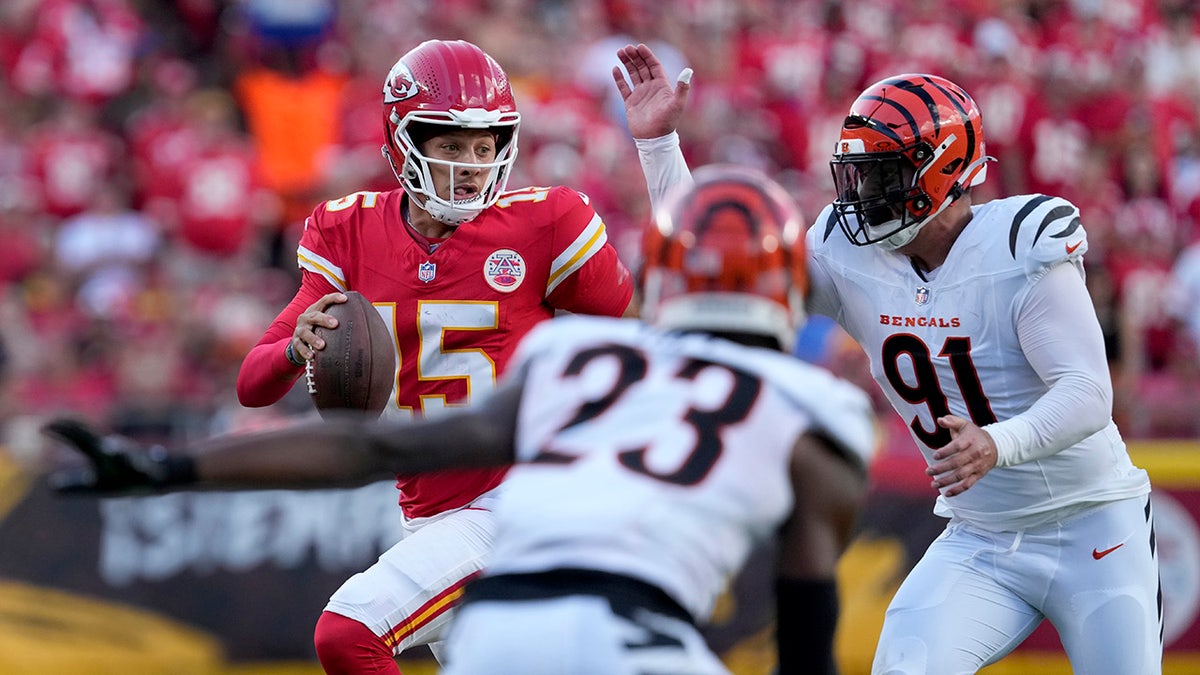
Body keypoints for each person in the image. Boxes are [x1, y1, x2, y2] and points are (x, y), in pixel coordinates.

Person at [44, 165, 876, 674]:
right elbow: (805, 626)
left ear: (663, 274)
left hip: (508, 613)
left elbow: (363, 447)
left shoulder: (573, 359)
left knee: (349, 631)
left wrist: (169, 466)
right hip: (630, 632)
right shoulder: (819, 411)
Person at [620, 49, 1163, 674]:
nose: (861, 196)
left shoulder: (1019, 247)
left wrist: (996, 444)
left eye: (881, 176)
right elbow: (724, 269)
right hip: (982, 537)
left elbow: (1089, 393)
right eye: (856, 175)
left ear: (943, 169)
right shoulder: (847, 252)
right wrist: (660, 144)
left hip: (1096, 525)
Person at [233, 39, 637, 673]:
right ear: (401, 141)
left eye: (484, 146)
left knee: (348, 633)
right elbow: (253, 385)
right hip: (429, 511)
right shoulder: (348, 233)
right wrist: (295, 345)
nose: (471, 164)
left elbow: (655, 334)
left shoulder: (545, 223)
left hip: (520, 501)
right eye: (450, 144)